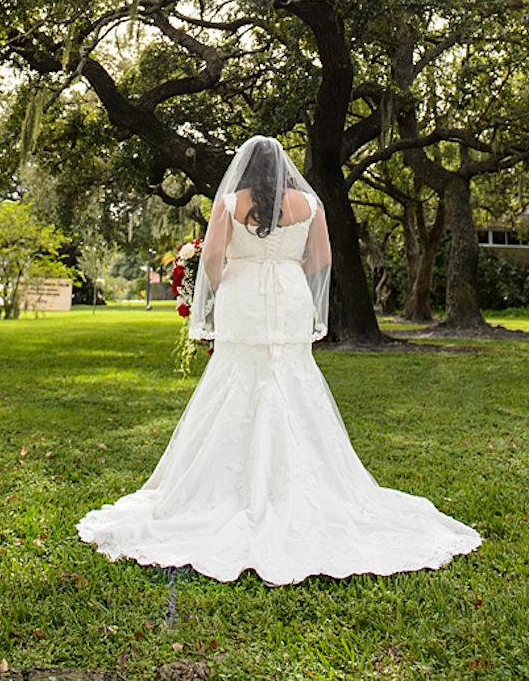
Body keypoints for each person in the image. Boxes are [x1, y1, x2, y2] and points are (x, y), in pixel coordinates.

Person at [77, 136, 481, 584]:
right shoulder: (310, 204)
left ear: (247, 170)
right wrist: (289, 272)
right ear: (285, 169)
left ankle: (225, 488)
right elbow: (322, 260)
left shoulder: (231, 201)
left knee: (236, 376)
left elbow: (211, 257)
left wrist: (223, 282)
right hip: (289, 297)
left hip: (243, 297)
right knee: (290, 374)